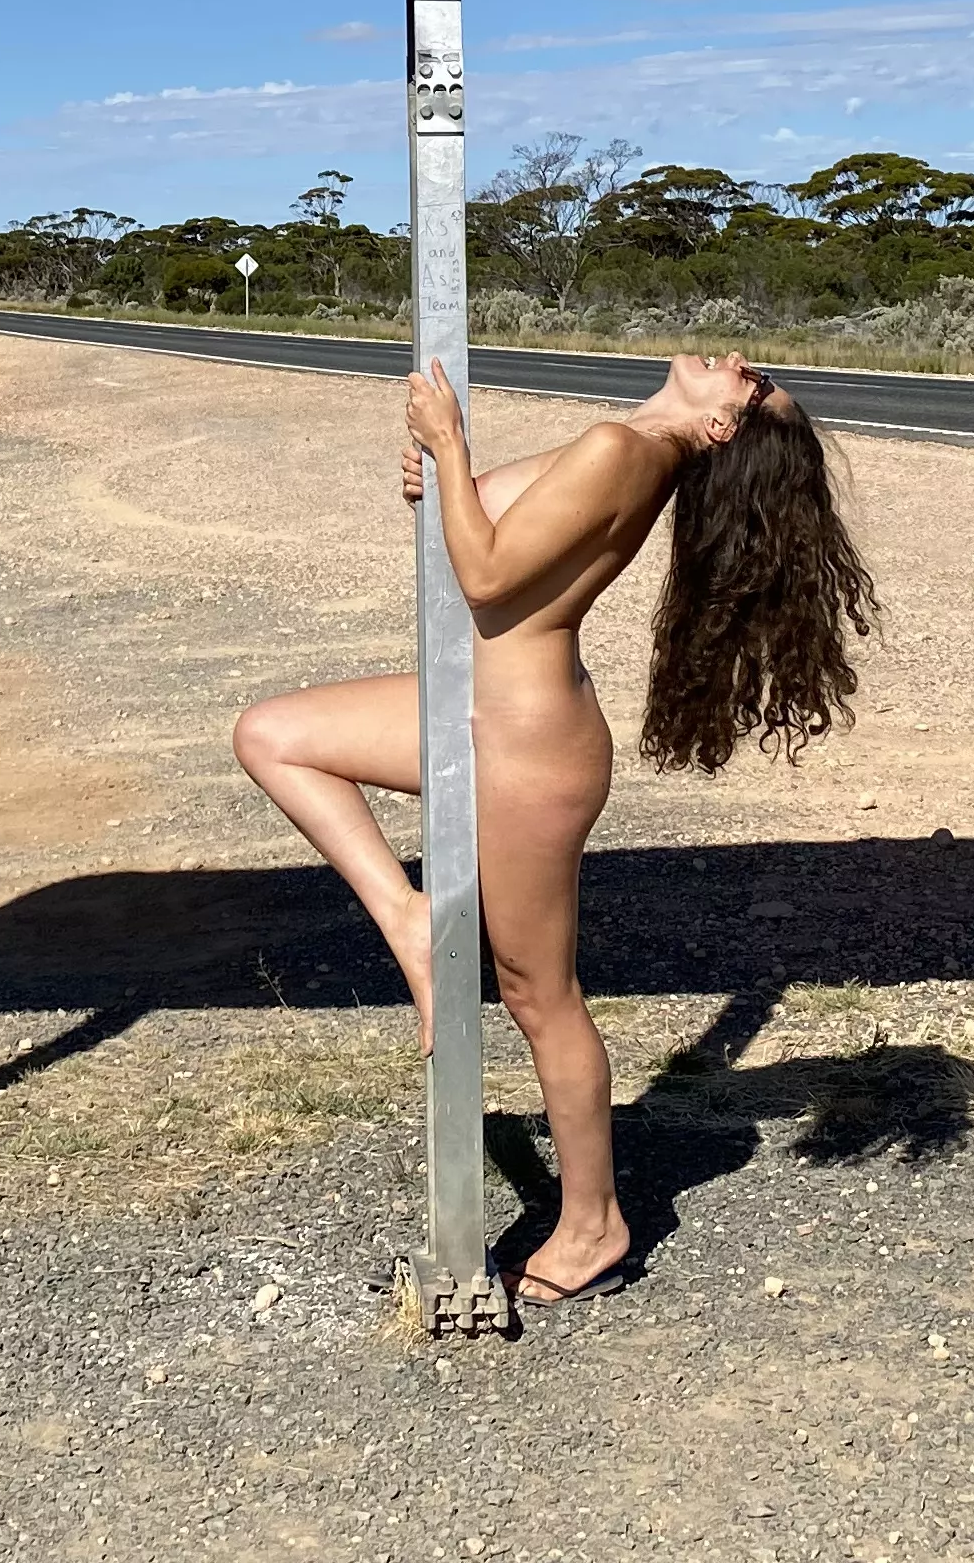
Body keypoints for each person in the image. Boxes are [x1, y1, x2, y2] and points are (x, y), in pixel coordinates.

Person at [231, 352, 877, 1307]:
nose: (736, 362)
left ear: (725, 427)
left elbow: (486, 577)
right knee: (273, 733)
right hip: (478, 714)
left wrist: (449, 444)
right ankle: (412, 919)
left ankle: (595, 1223)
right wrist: (444, 474)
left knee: (542, 997)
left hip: (528, 748)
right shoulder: (629, 444)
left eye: (753, 381)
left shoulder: (626, 449)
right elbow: (486, 523)